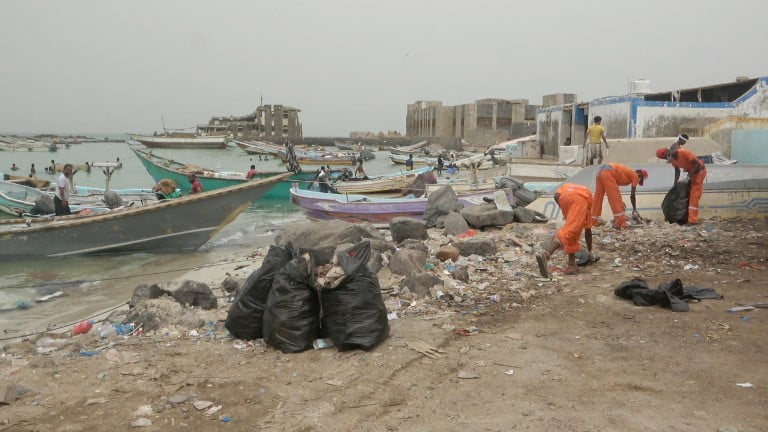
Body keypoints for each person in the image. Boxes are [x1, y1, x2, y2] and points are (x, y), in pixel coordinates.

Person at [536, 183, 596, 277]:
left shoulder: (568, 186)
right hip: (579, 200)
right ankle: (545, 255)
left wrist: (564, 207)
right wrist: (590, 251)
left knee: (571, 231)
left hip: (564, 198)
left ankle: (571, 264)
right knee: (570, 232)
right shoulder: (587, 199)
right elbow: (588, 230)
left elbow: (556, 195)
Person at [656, 147, 706, 224]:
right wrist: (675, 184)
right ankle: (686, 218)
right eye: (665, 158)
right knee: (688, 195)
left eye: (666, 156)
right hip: (691, 173)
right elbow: (677, 172)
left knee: (694, 195)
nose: (667, 158)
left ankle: (693, 220)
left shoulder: (684, 152)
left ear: (668, 150)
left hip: (699, 172)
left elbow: (697, 165)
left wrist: (688, 177)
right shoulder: (673, 161)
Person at [592, 163, 649, 228]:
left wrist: (621, 202)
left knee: (598, 196)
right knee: (615, 198)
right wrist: (634, 209)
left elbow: (612, 188)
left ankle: (594, 220)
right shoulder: (635, 175)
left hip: (600, 172)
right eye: (640, 180)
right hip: (608, 172)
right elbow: (632, 195)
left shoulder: (627, 173)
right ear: (640, 175)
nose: (638, 181)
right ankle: (621, 222)